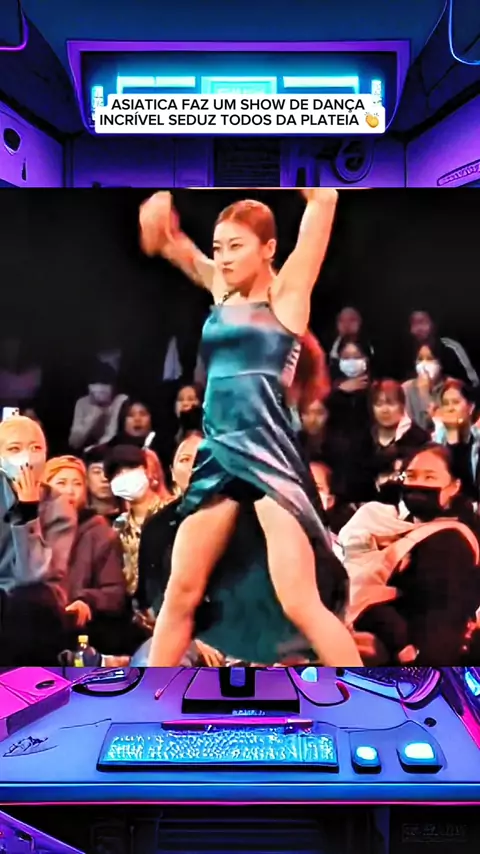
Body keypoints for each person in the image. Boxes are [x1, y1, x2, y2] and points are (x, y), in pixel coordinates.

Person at [139, 187, 361, 667]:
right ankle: (148, 697)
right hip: (218, 456)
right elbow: (176, 248)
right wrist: (162, 230)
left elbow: (323, 203)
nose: (223, 258)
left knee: (299, 601)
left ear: (268, 248)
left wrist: (292, 169)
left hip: (267, 457)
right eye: (218, 247)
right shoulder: (222, 291)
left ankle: (365, 696)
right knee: (181, 595)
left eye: (235, 246)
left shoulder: (287, 297)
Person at [342, 445, 480, 665]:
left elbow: (441, 623)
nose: (418, 484)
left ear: (454, 486)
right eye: (411, 476)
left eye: (430, 477)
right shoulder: (389, 525)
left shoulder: (450, 541)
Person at [0, 415, 76, 665]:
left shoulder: (58, 504)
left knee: (27, 602)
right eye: (14, 449)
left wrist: (28, 513)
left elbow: (32, 574)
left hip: (36, 602)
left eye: (35, 448)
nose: (27, 457)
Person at [42, 455, 128, 653]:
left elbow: (115, 593)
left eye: (77, 484)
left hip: (83, 629)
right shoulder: (31, 528)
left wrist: (86, 600)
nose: (70, 490)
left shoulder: (99, 532)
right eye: (61, 483)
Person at [105, 445, 174, 599]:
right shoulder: (118, 526)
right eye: (117, 474)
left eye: (131, 468)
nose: (125, 476)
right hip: (133, 606)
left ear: (147, 471)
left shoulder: (173, 512)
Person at [322, 336, 376, 503]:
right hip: (337, 467)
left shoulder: (377, 389)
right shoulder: (327, 390)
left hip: (369, 466)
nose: (351, 362)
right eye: (346, 357)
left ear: (367, 358)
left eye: (357, 356)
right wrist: (339, 391)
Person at [432, 379, 480, 502]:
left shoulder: (478, 442)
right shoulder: (434, 443)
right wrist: (451, 435)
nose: (450, 409)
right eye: (445, 404)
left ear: (470, 407)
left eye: (455, 402)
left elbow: (467, 489)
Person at [370, 379, 430, 478]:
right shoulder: (365, 438)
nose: (384, 410)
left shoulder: (419, 439)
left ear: (402, 406)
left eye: (391, 404)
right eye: (379, 404)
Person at [408, 310, 479, 388]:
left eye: (422, 322)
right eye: (414, 323)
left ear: (434, 324)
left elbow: (473, 382)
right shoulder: (408, 352)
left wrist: (453, 384)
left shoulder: (451, 348)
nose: (418, 328)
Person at [69, 361, 128, 453]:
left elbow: (112, 434)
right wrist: (92, 418)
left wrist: (94, 449)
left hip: (112, 450)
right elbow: (74, 442)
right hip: (86, 451)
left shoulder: (120, 400)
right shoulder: (82, 403)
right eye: (95, 383)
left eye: (105, 384)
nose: (100, 389)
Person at [403, 341, 445, 431]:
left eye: (430, 359)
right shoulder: (407, 388)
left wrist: (425, 395)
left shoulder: (449, 388)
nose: (424, 364)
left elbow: (438, 426)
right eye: (420, 359)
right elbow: (418, 427)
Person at [83, 446, 121, 524]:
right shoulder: (79, 518)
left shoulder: (132, 516)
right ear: (86, 478)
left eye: (110, 471)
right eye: (97, 472)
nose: (104, 478)